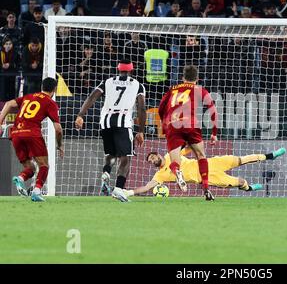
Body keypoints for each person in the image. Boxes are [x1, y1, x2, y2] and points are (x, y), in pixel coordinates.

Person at [74, 60, 146, 200]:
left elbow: (91, 97)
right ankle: (118, 189)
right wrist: (141, 130)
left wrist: (80, 115)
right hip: (123, 122)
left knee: (111, 154)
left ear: (118, 69)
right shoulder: (138, 85)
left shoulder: (107, 82)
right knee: (126, 158)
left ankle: (106, 173)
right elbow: (141, 108)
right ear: (131, 70)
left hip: (105, 122)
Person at [115, 147, 287, 201]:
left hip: (209, 163)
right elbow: (146, 187)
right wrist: (128, 192)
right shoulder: (160, 175)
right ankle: (249, 188)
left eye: (153, 156)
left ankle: (270, 156)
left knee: (240, 159)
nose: (153, 160)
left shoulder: (171, 156)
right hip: (207, 178)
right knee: (240, 181)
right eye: (151, 160)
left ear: (159, 154)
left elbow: (188, 147)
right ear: (152, 165)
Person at [157, 65, 218, 201]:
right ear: (197, 79)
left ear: (183, 78)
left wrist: (164, 124)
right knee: (201, 155)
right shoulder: (200, 90)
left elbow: (161, 109)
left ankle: (178, 172)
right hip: (191, 124)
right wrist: (214, 133)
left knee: (175, 160)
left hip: (173, 125)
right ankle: (206, 189)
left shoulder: (172, 89)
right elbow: (213, 110)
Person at [0, 77, 63, 202]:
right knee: (44, 165)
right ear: (54, 89)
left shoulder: (28, 97)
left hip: (16, 133)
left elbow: (8, 104)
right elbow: (58, 129)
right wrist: (60, 145)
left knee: (31, 168)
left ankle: (21, 178)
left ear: (42, 87)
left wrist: (0, 121)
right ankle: (37, 191)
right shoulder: (50, 102)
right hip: (32, 134)